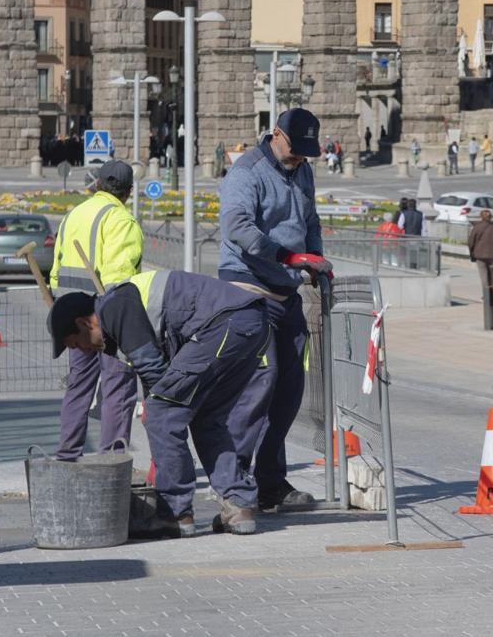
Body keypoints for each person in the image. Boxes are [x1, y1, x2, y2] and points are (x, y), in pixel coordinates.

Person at [47, 271, 269, 537]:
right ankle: (238, 505)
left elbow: (151, 366)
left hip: (223, 324)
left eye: (77, 344)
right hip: (252, 322)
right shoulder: (118, 312)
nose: (83, 350)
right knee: (206, 419)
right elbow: (161, 370)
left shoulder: (114, 306)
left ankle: (175, 513)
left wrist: (156, 408)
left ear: (84, 323)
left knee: (162, 413)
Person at [219, 108, 329, 511]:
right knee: (259, 385)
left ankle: (269, 482)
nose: (299, 158)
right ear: (276, 134)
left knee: (289, 390)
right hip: (248, 288)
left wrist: (313, 257)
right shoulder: (246, 172)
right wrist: (286, 256)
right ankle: (235, 484)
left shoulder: (302, 170)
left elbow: (310, 219)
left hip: (287, 289)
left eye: (306, 153)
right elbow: (238, 228)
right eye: (295, 149)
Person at [49, 160, 144, 462]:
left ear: (98, 184)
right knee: (118, 389)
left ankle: (67, 454)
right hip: (105, 322)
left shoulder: (74, 214)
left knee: (79, 387)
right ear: (129, 191)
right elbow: (120, 280)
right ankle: (111, 461)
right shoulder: (120, 220)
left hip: (76, 320)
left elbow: (56, 271)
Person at [467, 209, 493, 299]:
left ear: (481, 217)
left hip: (480, 254)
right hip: (491, 255)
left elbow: (471, 242)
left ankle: (486, 295)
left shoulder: (477, 227)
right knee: (490, 274)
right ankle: (491, 293)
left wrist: (472, 252)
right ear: (490, 218)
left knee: (483, 275)